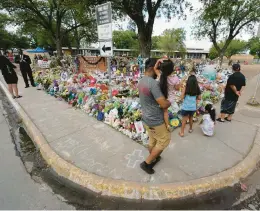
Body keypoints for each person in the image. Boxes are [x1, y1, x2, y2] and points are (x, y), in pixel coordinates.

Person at [138, 58, 171, 174]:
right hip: (155, 120)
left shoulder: (142, 80)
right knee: (164, 140)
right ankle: (147, 163)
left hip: (147, 119)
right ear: (154, 68)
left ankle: (154, 157)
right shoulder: (153, 84)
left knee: (153, 140)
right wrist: (169, 102)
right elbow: (163, 103)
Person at [154, 58, 176, 131]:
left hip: (161, 98)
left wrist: (158, 61)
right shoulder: (175, 78)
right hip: (170, 99)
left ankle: (166, 125)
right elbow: (177, 88)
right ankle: (168, 126)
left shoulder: (160, 76)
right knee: (166, 111)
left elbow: (155, 68)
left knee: (164, 111)